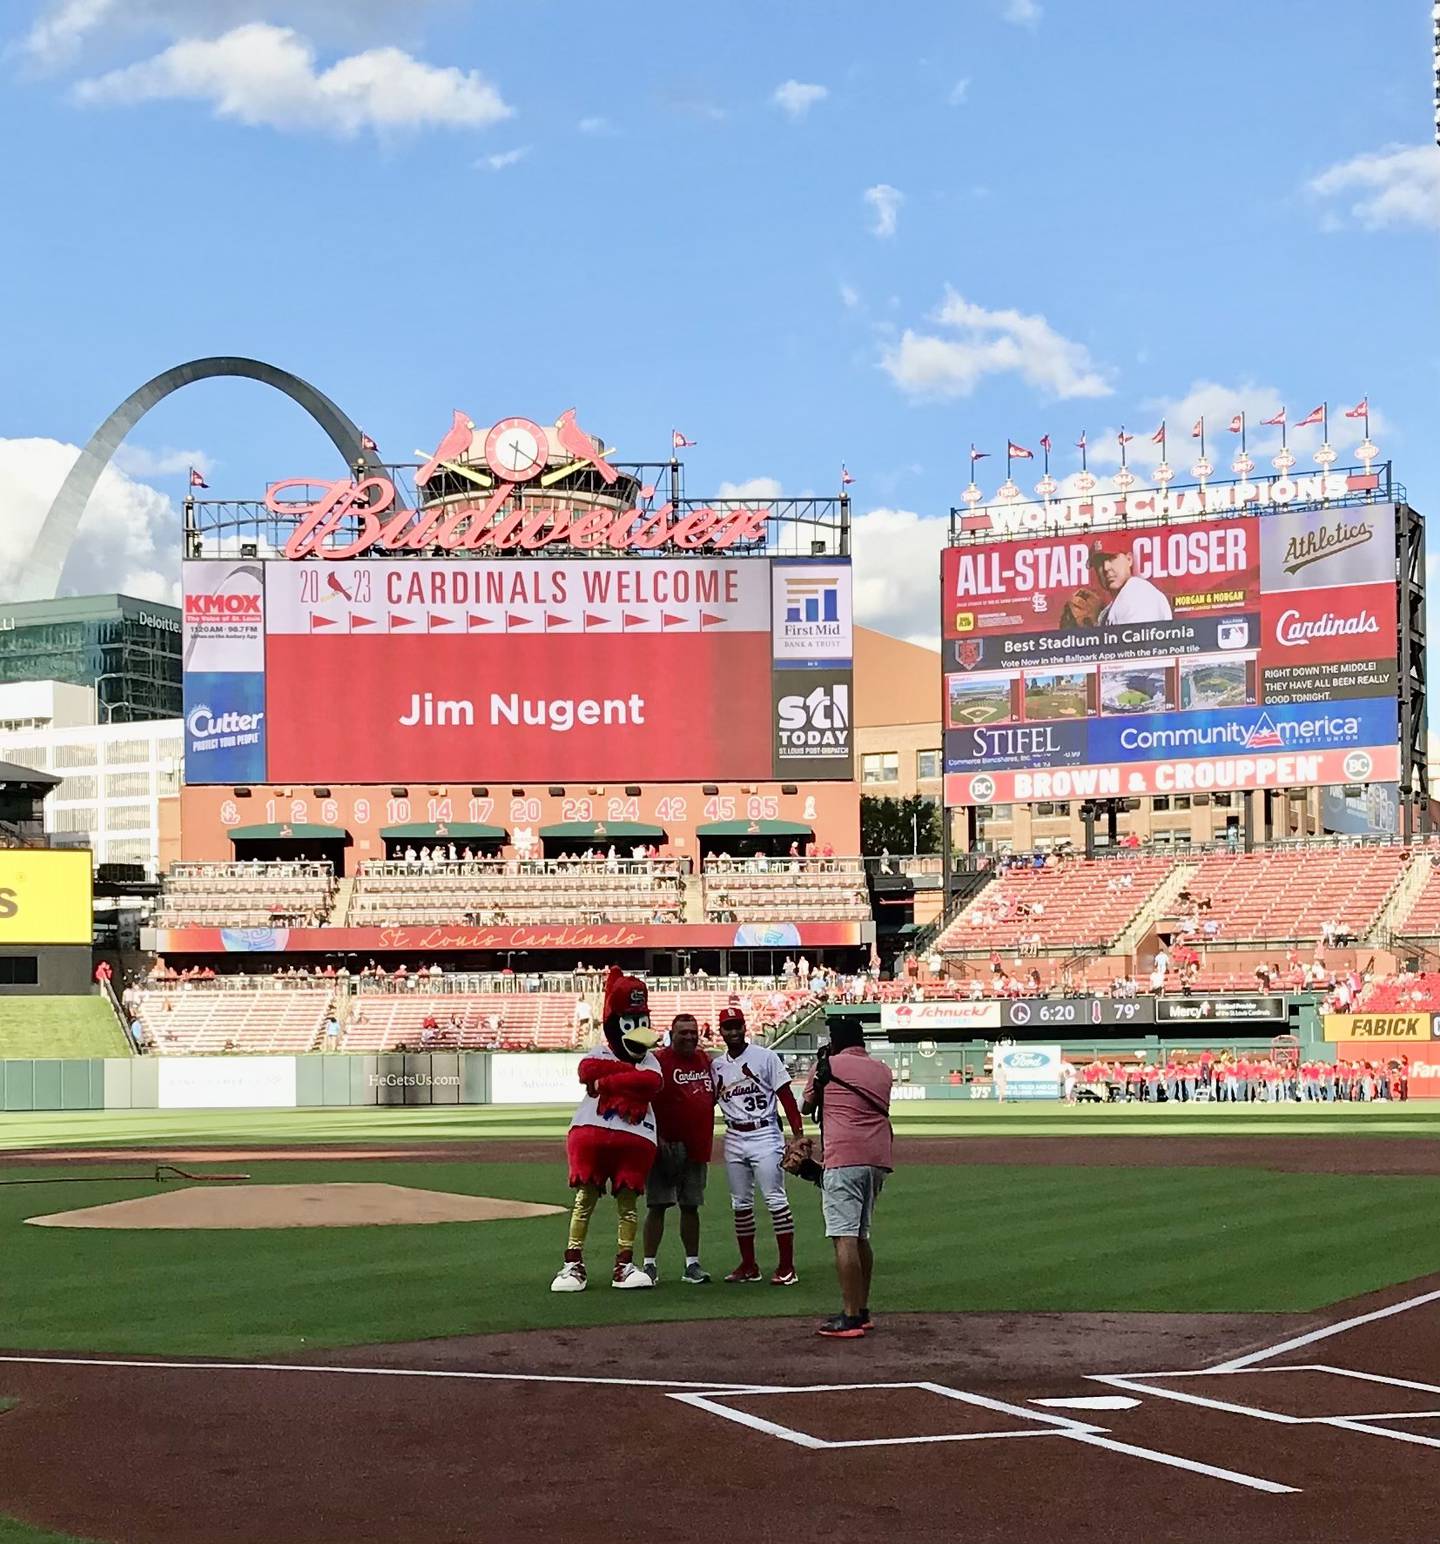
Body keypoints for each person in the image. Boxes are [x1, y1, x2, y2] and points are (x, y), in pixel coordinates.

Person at [551, 970, 664, 1293]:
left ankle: (624, 1265)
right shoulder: (600, 1052)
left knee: (627, 1205)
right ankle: (573, 1264)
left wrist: (606, 1082)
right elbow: (587, 1071)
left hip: (634, 1140)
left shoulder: (650, 1060)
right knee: (584, 1199)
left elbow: (650, 1083)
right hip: (594, 1136)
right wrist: (623, 1074)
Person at [801, 1020, 893, 1339]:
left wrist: (823, 1066)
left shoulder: (826, 1066)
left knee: (844, 1236)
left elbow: (805, 1106)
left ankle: (850, 1315)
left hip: (843, 1157)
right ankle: (863, 1309)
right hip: (878, 1158)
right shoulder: (882, 1069)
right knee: (861, 1234)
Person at [711, 1005, 803, 1285]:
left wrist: (797, 1135)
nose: (734, 1031)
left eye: (738, 1025)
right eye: (729, 1027)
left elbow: (786, 1096)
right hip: (734, 1136)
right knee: (740, 1203)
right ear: (721, 1031)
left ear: (745, 1027)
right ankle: (749, 1265)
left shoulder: (765, 1057)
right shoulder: (716, 1066)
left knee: (776, 1200)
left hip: (765, 1134)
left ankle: (787, 1267)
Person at [642, 1014, 716, 1286]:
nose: (688, 1036)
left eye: (692, 1032)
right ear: (671, 1034)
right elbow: (643, 1101)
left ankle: (692, 1265)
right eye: (683, 1032)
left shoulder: (705, 1060)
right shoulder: (659, 1061)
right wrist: (656, 1138)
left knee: (691, 1206)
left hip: (697, 1146)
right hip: (665, 1147)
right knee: (658, 1205)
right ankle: (649, 1265)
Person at [1088, 537, 1173, 624]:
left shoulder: (1138, 593)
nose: (1106, 568)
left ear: (1129, 559)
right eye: (1099, 562)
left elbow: (1138, 635)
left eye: (1111, 558)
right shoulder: (1116, 603)